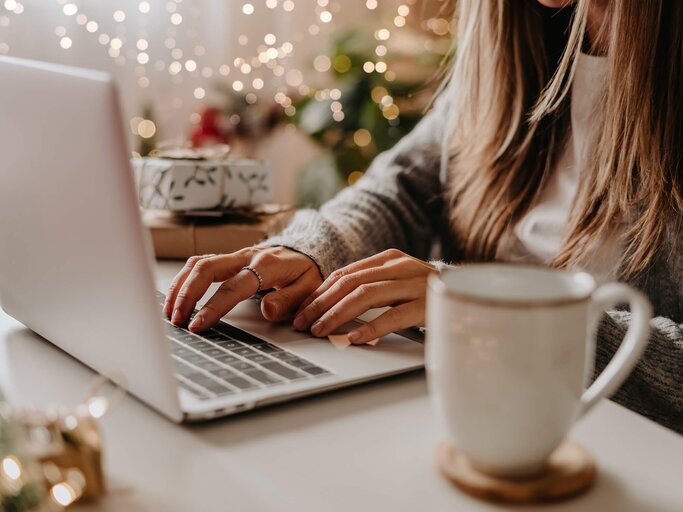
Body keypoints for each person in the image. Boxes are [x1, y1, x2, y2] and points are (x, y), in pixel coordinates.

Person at [164, 0, 682, 433]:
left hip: (610, 437)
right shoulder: (524, 31)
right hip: (469, 403)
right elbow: (402, 187)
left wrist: (488, 313)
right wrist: (312, 250)